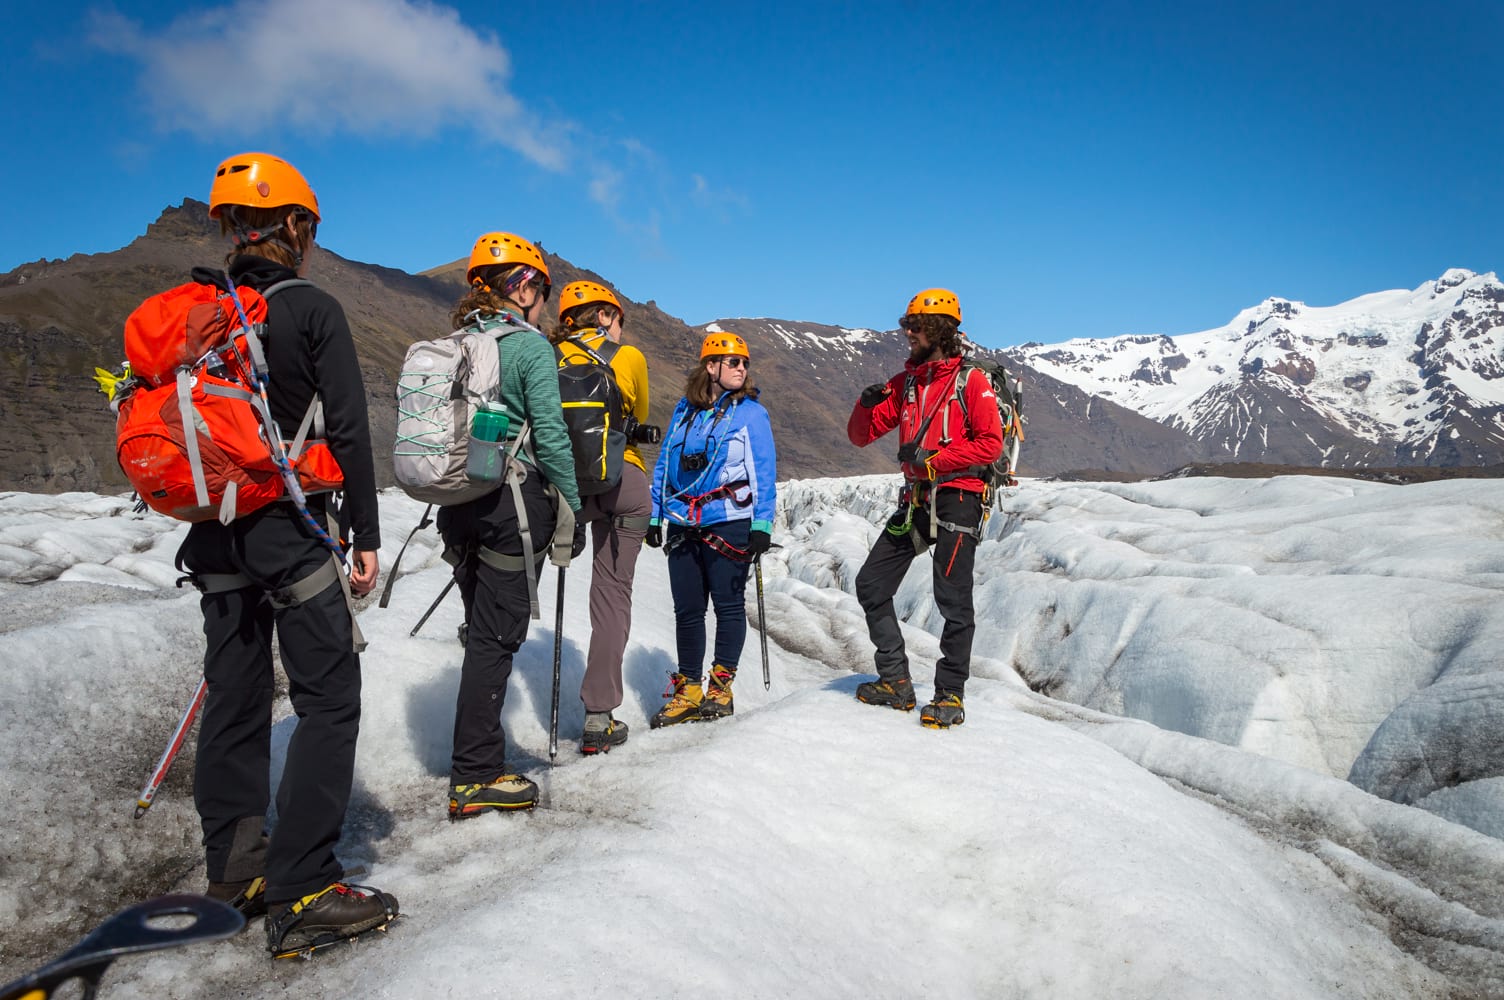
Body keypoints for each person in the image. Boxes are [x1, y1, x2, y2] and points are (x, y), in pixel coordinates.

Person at [176, 151, 398, 953]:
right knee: (328, 698)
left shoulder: (201, 310)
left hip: (213, 531)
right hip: (287, 526)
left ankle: (236, 870)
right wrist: (365, 536)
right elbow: (347, 430)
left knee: (233, 699)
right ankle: (304, 889)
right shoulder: (312, 308)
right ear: (297, 228)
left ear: (231, 227)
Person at [440, 232, 582, 816]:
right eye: (541, 289)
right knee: (495, 641)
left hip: (458, 501)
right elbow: (549, 433)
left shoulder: (457, 342)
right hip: (512, 505)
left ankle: (475, 756)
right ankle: (475, 773)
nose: (544, 302)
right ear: (522, 286)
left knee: (481, 632)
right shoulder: (529, 348)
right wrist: (570, 507)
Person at [847, 289, 1002, 729]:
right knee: (872, 584)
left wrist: (934, 463)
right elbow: (861, 437)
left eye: (916, 326)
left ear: (941, 330)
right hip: (918, 500)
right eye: (907, 325)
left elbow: (989, 443)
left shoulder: (970, 381)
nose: (908, 333)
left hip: (959, 498)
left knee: (953, 601)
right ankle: (895, 681)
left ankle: (950, 694)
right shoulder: (907, 383)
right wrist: (866, 404)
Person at [646, 332, 777, 727]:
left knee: (728, 606)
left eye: (744, 363)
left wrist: (762, 523)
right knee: (687, 610)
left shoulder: (752, 413)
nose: (742, 369)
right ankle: (688, 690)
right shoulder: (684, 411)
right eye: (733, 362)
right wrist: (656, 515)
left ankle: (720, 688)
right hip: (682, 521)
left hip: (730, 521)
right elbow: (665, 464)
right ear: (711, 366)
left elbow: (764, 471)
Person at [550, 281, 656, 754]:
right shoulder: (627, 357)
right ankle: (598, 717)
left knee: (519, 577)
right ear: (606, 317)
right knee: (612, 597)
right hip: (622, 484)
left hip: (562, 487)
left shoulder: (545, 357)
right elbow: (640, 415)